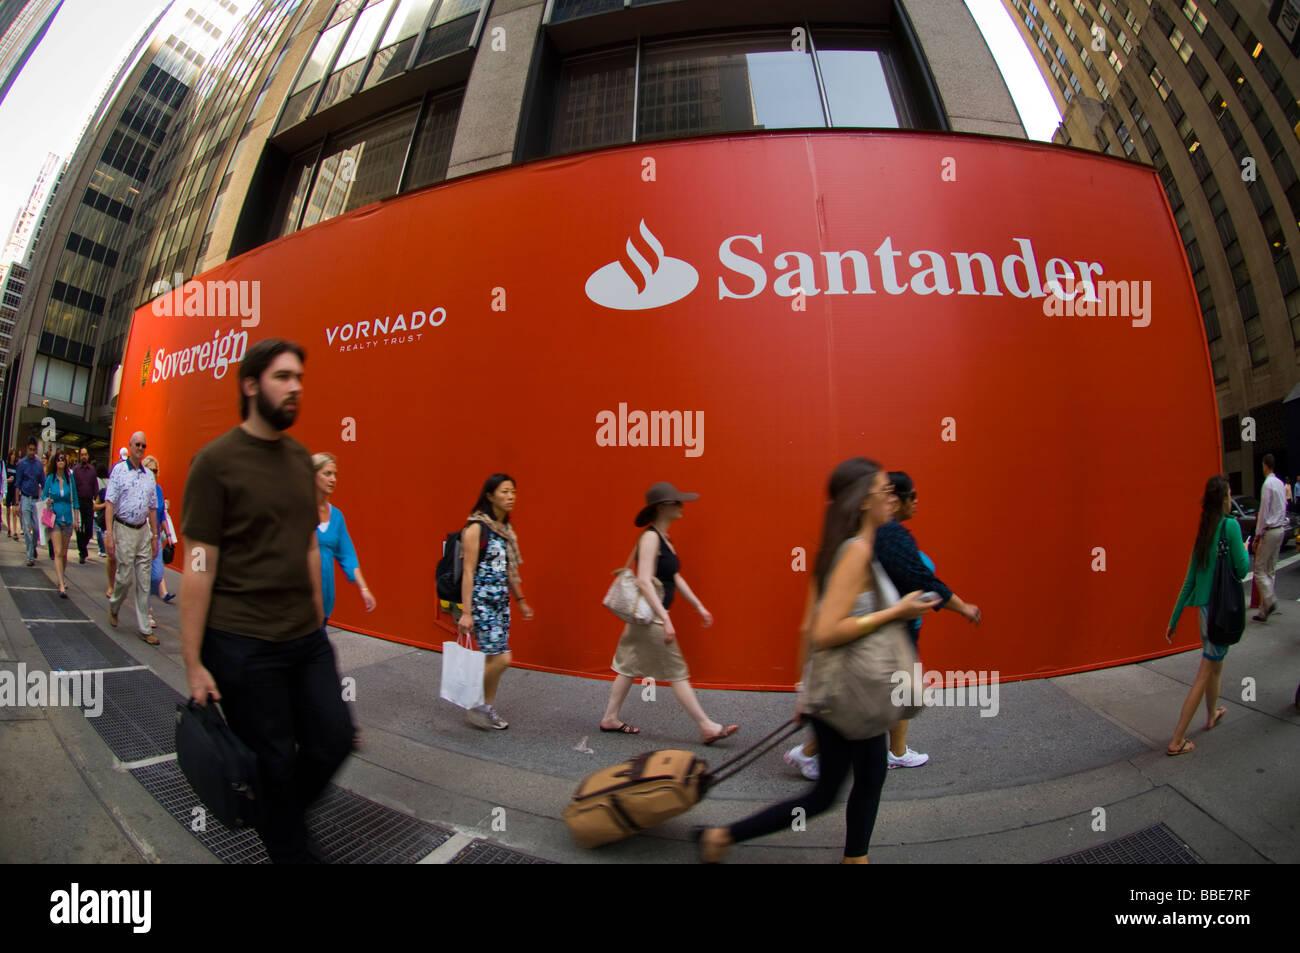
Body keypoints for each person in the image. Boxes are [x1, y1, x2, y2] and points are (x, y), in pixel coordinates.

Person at [696, 458, 933, 863]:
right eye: (884, 490)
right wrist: (896, 612)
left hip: (833, 692)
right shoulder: (857, 552)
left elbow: (808, 628)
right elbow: (825, 630)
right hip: (850, 694)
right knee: (851, 785)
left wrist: (805, 691)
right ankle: (849, 857)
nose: (891, 498)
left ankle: (725, 837)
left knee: (838, 789)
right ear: (862, 500)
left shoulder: (833, 550)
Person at [180, 338, 353, 863]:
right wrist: (193, 663)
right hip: (242, 645)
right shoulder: (215, 462)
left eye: (299, 376)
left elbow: (305, 544)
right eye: (282, 377)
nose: (296, 386)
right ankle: (289, 846)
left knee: (334, 740)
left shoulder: (301, 460)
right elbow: (197, 564)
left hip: (305, 638)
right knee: (275, 762)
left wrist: (319, 617)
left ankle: (274, 816)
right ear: (251, 385)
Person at [598, 482, 737, 743]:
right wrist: (665, 616)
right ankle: (707, 726)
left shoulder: (665, 539)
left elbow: (674, 576)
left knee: (628, 666)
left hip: (648, 617)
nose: (682, 506)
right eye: (677, 502)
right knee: (676, 670)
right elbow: (643, 580)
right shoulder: (651, 538)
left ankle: (610, 717)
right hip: (651, 617)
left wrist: (698, 606)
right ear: (663, 507)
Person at [1164, 475, 1249, 755]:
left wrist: (1173, 620)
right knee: (1204, 672)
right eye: (1229, 495)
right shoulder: (1231, 527)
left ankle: (1211, 714)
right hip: (1220, 613)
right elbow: (1241, 568)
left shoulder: (1205, 533)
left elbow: (1189, 580)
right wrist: (1245, 550)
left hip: (1204, 613)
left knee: (1215, 665)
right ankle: (1177, 740)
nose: (1230, 499)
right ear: (1223, 500)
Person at [457, 473, 533, 730]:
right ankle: (476, 703)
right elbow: (468, 572)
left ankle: (486, 708)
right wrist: (466, 612)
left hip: (501, 602)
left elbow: (509, 570)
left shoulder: (505, 531)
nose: (511, 496)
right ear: (490, 496)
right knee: (503, 659)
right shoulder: (476, 528)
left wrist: (520, 600)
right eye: (504, 491)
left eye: (513, 491)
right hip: (481, 602)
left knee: (493, 658)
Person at [105, 432, 159, 645]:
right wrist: (109, 535)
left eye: (144, 445)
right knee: (124, 577)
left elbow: (153, 509)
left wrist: (155, 536)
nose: (140, 448)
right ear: (130, 445)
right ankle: (114, 606)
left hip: (143, 531)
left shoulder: (149, 476)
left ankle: (145, 628)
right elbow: (109, 503)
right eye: (137, 444)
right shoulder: (119, 471)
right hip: (124, 529)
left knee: (144, 581)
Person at [312, 452, 376, 619]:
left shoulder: (337, 516)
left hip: (324, 602)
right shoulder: (298, 510)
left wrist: (364, 589)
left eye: (335, 474)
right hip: (299, 602)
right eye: (327, 474)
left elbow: (348, 555)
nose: (333, 479)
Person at [1249, 453, 1288, 623]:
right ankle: (1264, 610)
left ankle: (1269, 599)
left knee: (1258, 569)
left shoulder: (1267, 485)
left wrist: (1258, 534)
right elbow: (1284, 505)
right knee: (1270, 569)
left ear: (1265, 465)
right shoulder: (1280, 484)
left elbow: (1263, 511)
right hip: (1280, 529)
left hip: (1270, 530)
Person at [42, 451, 79, 597]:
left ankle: (61, 578)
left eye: (63, 459)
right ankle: (61, 586)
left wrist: (77, 518)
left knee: (63, 553)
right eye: (58, 459)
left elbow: (75, 499)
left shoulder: (70, 479)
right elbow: (44, 495)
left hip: (68, 518)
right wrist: (47, 500)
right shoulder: (50, 479)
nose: (61, 461)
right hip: (54, 518)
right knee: (57, 551)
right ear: (55, 462)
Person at [142, 455, 174, 624]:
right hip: (141, 537)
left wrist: (168, 535)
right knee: (145, 575)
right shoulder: (140, 488)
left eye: (155, 470)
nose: (153, 473)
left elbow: (162, 514)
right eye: (150, 469)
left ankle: (145, 601)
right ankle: (147, 610)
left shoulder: (159, 490)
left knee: (156, 575)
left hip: (156, 537)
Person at [16, 438, 45, 566]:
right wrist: (17, 503)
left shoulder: (39, 465)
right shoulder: (22, 464)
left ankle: (33, 547)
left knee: (36, 529)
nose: (32, 452)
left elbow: (43, 483)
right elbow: (17, 483)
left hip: (36, 499)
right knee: (27, 528)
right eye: (30, 449)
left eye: (34, 450)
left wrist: (44, 499)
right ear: (27, 448)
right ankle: (30, 556)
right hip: (25, 498)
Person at [73, 448, 98, 565]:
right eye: (82, 455)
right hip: (78, 502)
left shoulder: (92, 470)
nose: (83, 457)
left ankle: (83, 546)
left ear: (88, 456)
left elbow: (95, 486)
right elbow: (73, 487)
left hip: (88, 502)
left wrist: (96, 500)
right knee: (79, 528)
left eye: (85, 455)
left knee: (88, 529)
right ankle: (82, 552)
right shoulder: (76, 470)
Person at [4, 448, 17, 539]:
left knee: (14, 511)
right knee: (8, 510)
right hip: (8, 489)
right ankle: (9, 528)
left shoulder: (16, 467)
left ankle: (15, 530)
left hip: (14, 489)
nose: (13, 456)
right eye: (11, 454)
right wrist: (7, 480)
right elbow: (3, 479)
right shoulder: (6, 466)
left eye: (14, 455)